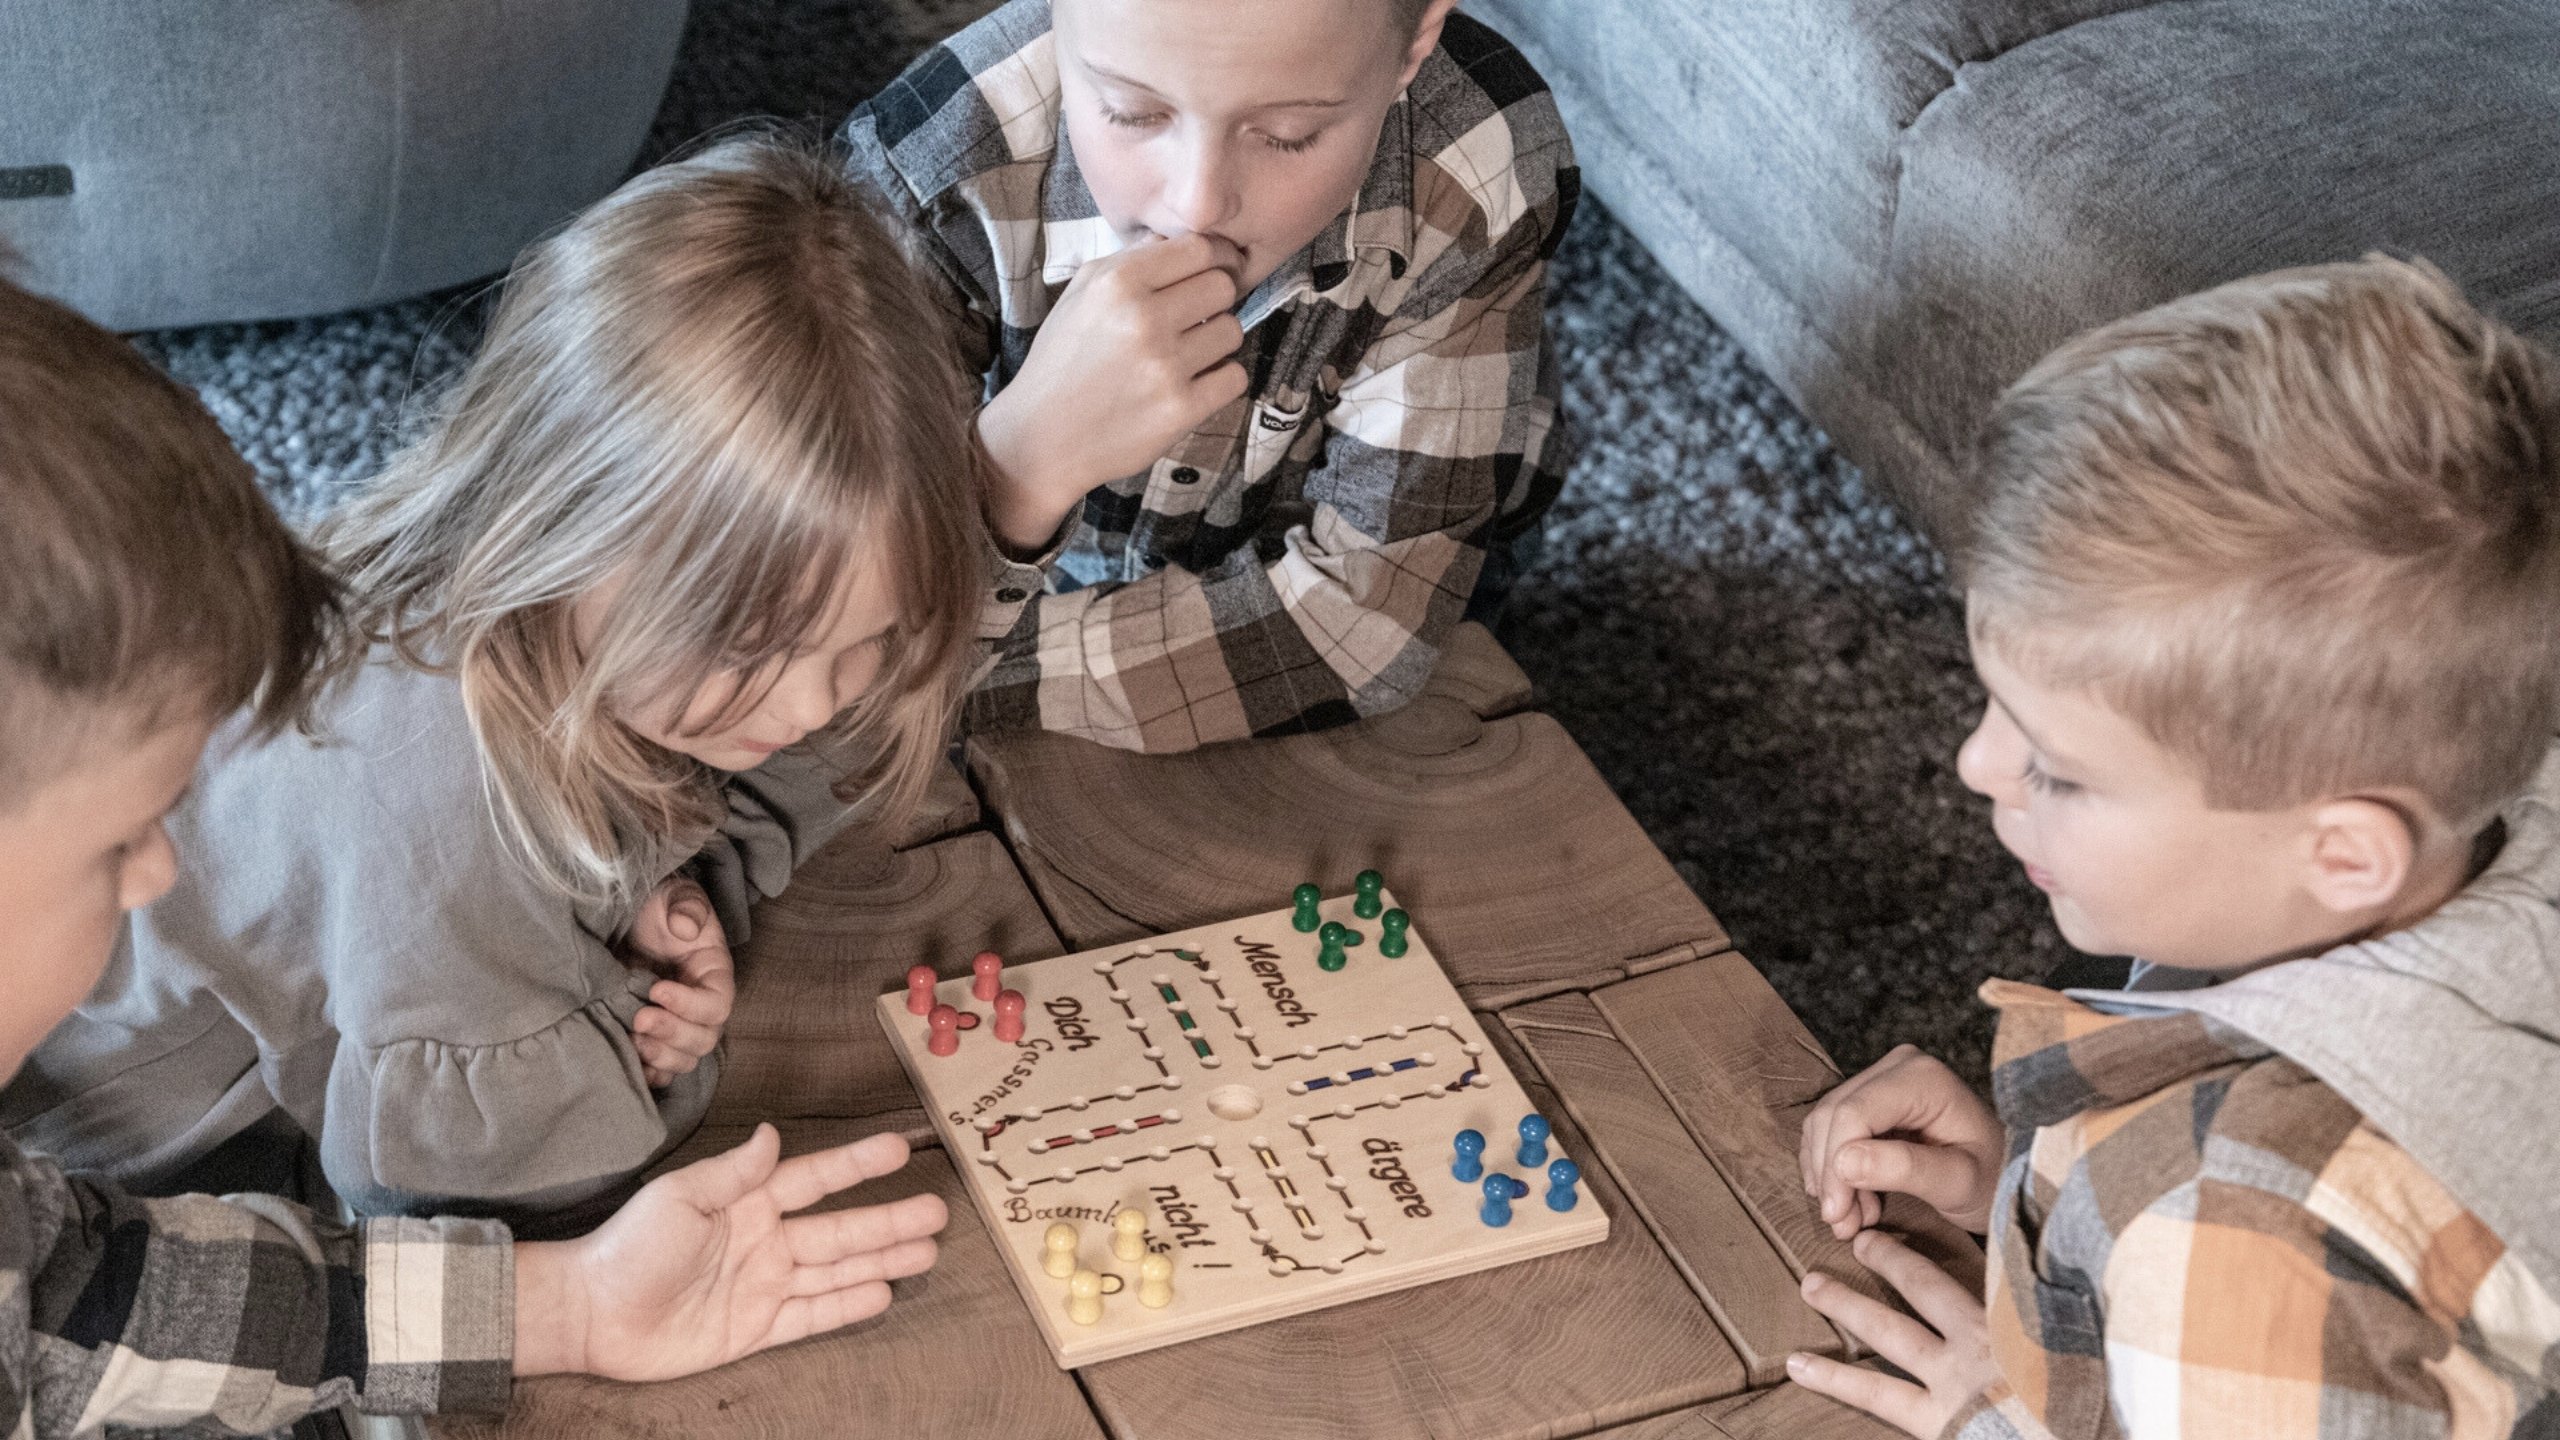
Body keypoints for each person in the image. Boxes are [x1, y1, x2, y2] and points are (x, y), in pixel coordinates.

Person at [2, 133, 1034, 1232]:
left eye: (866, 642)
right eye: (748, 648)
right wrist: (647, 1040)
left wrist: (633, 932)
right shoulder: (444, 810)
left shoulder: (519, 604)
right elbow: (498, 1209)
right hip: (136, 1198)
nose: (813, 706)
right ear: (564, 532)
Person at [0, 271, 948, 1436]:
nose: (155, 873)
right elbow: (493, 1184)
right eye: (114, 846)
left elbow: (82, 1298)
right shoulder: (435, 813)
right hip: (155, 1150)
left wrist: (570, 1307)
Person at [1787, 256, 2560, 1437]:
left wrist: (1998, 1413)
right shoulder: (2493, 816)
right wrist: (2041, 1200)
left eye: (2058, 768)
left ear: (2343, 857)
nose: (1976, 765)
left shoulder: (2243, 1243)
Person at [843, 0, 1579, 752]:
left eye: (1288, 134)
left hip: (1427, 546)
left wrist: (930, 676)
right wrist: (1019, 472)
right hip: (1034, 575)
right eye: (1131, 113)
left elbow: (1368, 625)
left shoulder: (1478, 165)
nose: (1195, 205)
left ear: (1416, 40)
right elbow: (834, 581)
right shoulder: (922, 176)